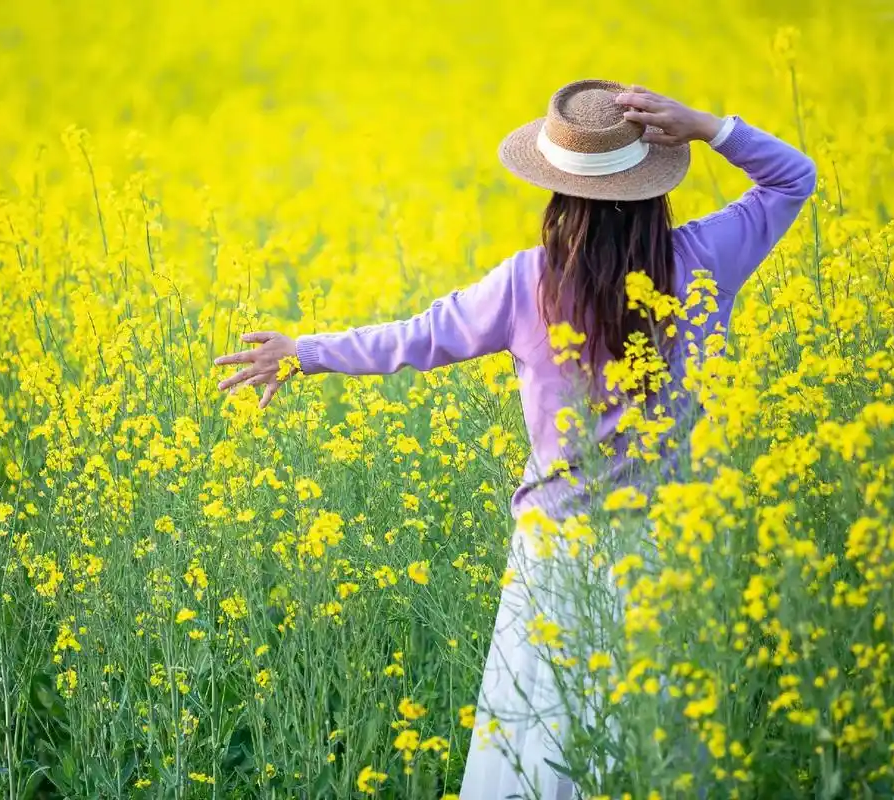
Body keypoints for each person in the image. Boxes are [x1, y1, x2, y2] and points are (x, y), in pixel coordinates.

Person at [214, 79, 817, 798]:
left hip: (554, 555)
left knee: (540, 742)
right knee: (649, 745)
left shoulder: (529, 282)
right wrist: (706, 127)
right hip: (667, 552)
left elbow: (418, 337)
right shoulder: (703, 260)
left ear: (558, 194)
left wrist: (304, 350)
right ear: (654, 189)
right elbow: (794, 177)